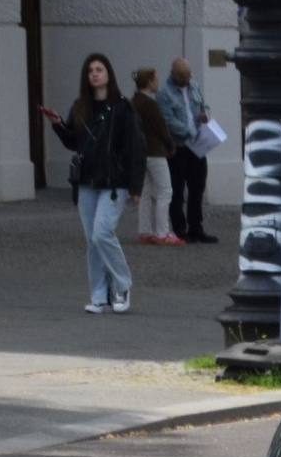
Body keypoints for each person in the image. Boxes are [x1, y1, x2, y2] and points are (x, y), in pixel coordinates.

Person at [44, 53, 143, 313]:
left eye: (99, 69)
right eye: (90, 71)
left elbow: (134, 147)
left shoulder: (122, 107)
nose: (95, 74)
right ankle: (99, 295)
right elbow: (74, 143)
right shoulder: (81, 106)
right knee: (92, 239)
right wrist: (57, 125)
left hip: (114, 180)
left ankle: (122, 284)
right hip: (86, 179)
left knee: (103, 233)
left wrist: (136, 186)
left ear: (109, 73)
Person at [157, 57, 216, 243]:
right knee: (177, 188)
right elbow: (168, 120)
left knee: (197, 187)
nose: (185, 80)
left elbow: (204, 105)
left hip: (197, 144)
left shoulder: (194, 86)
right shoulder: (164, 93)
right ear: (173, 74)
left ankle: (196, 227)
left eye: (187, 76)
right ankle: (180, 229)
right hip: (178, 146)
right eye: (181, 76)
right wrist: (188, 130)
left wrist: (206, 115)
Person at [129, 66, 178, 244]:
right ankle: (162, 232)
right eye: (155, 79)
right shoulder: (150, 103)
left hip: (141, 153)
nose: (158, 82)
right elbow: (161, 128)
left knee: (146, 191)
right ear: (149, 82)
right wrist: (171, 145)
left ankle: (145, 230)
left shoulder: (134, 101)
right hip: (155, 152)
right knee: (165, 191)